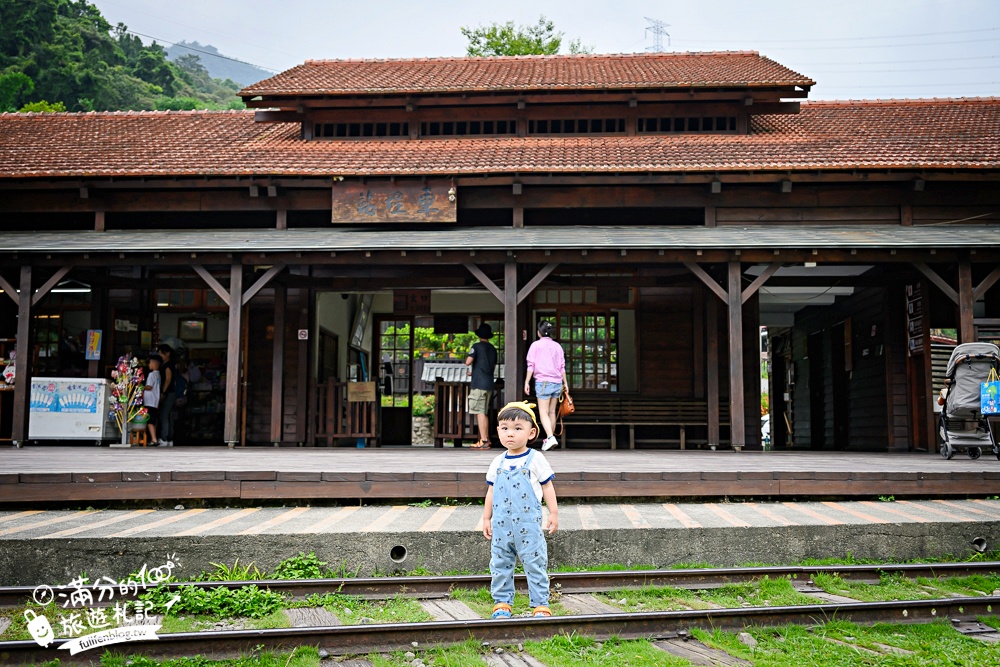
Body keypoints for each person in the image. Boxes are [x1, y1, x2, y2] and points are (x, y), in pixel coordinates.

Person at [482, 401, 558, 619]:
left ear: (531, 432)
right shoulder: (497, 462)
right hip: (501, 525)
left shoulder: (536, 459)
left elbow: (548, 486)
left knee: (535, 562)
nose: (510, 434)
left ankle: (540, 604)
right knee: (500, 563)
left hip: (528, 526)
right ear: (498, 431)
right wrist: (486, 518)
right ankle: (502, 602)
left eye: (517, 428)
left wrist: (553, 513)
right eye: (505, 428)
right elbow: (491, 492)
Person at [523, 320, 570, 451]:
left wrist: (527, 381)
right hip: (557, 382)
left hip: (543, 382)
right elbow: (562, 367)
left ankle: (550, 437)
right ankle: (549, 439)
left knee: (543, 412)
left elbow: (531, 365)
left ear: (539, 333)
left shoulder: (535, 346)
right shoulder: (557, 346)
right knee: (551, 412)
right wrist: (565, 383)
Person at [465, 322, 498, 450]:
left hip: (478, 384)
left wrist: (468, 361)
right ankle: (486, 439)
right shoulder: (493, 349)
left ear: (479, 335)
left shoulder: (476, 346)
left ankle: (483, 440)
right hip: (489, 383)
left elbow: (468, 361)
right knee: (483, 412)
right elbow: (489, 366)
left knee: (479, 412)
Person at [156, 344, 176, 447]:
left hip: (168, 393)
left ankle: (164, 438)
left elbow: (168, 379)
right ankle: (169, 439)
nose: (160, 355)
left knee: (164, 416)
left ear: (167, 353)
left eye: (161, 353)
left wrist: (162, 392)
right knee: (167, 416)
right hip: (169, 393)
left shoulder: (168, 365)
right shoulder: (166, 364)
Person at [143, 355, 162, 445]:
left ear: (154, 363)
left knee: (149, 421)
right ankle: (154, 439)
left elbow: (149, 387)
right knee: (153, 420)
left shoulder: (151, 374)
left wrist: (141, 387)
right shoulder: (158, 374)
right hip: (155, 401)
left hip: (149, 401)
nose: (148, 365)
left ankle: (154, 439)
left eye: (149, 363)